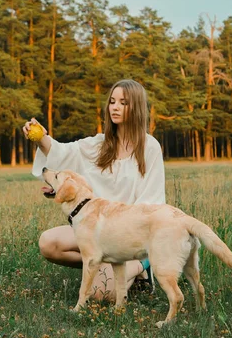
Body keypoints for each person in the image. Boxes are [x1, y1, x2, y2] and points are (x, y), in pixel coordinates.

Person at [23, 79, 166, 301]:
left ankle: (140, 268)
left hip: (130, 237)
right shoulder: (100, 144)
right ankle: (101, 266)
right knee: (49, 243)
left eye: (123, 103)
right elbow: (63, 152)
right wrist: (41, 137)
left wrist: (130, 246)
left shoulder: (150, 147)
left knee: (101, 294)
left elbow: (152, 203)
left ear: (136, 107)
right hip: (94, 231)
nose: (115, 107)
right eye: (112, 101)